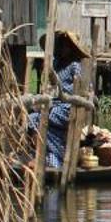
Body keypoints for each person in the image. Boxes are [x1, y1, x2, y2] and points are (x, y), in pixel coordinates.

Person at [26, 31, 88, 170]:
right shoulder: (56, 63)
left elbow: (85, 88)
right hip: (54, 105)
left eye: (66, 46)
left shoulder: (75, 65)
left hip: (67, 108)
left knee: (34, 119)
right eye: (61, 45)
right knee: (31, 117)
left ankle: (44, 158)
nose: (62, 48)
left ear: (71, 48)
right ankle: (43, 157)